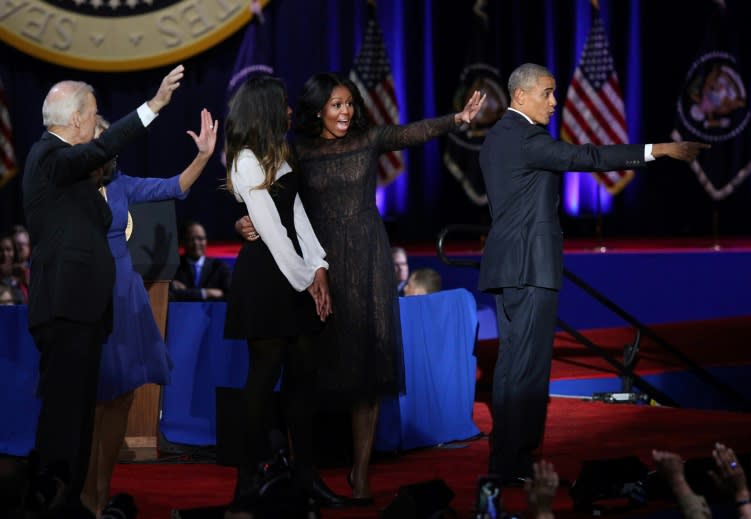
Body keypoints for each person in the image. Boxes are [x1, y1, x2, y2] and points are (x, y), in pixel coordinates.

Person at [235, 72, 486, 502]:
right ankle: (303, 470)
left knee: (368, 368)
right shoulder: (297, 150)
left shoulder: (368, 140)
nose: (346, 111)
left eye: (349, 103)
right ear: (318, 110)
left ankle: (361, 473)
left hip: (367, 259)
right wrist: (242, 220)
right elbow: (269, 196)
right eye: (336, 104)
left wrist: (456, 119)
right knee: (308, 370)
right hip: (316, 262)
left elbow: (411, 134)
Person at [478, 62, 709, 485]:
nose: (554, 101)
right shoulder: (527, 138)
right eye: (546, 93)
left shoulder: (496, 137)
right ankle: (518, 461)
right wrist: (655, 149)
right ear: (519, 97)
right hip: (531, 266)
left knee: (512, 365)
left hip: (507, 265)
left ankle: (506, 460)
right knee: (527, 369)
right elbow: (586, 157)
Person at [21, 65, 184, 515]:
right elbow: (103, 148)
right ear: (75, 120)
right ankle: (51, 502)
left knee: (76, 421)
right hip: (65, 311)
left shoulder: (73, 177)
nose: (96, 124)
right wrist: (153, 107)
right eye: (92, 115)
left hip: (86, 313)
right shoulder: (49, 157)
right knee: (64, 422)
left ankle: (71, 502)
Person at [221, 75, 352, 511]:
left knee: (303, 383)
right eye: (282, 103)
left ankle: (307, 477)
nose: (290, 109)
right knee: (260, 383)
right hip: (265, 280)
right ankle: (245, 484)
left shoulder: (280, 151)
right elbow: (271, 232)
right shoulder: (243, 159)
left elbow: (296, 216)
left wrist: (320, 267)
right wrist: (305, 279)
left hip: (295, 274)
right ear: (264, 109)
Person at [80, 110, 217, 516]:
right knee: (93, 400)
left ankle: (103, 493)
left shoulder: (122, 184)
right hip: (88, 296)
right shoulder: (67, 187)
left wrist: (204, 156)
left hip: (125, 298)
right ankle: (85, 495)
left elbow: (174, 187)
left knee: (121, 396)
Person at [171, 221, 231, 301]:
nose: (196, 243)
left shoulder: (220, 267)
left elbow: (230, 296)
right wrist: (205, 293)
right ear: (183, 242)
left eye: (200, 238)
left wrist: (185, 292)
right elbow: (170, 294)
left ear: (206, 241)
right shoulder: (174, 267)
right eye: (191, 239)